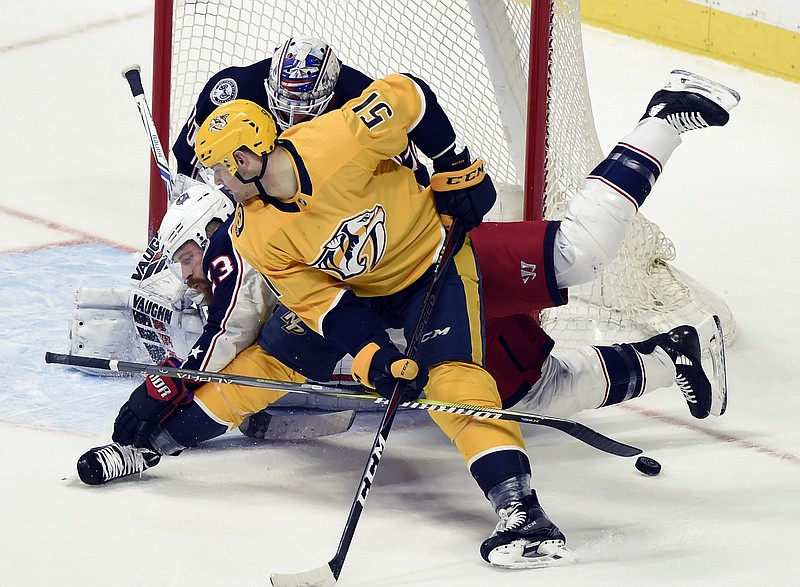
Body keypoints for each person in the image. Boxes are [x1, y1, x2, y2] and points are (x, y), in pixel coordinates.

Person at [77, 69, 737, 570]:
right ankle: (671, 353)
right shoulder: (252, 234)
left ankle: (524, 513)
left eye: (223, 168)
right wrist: (371, 355)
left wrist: (453, 165)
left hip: (444, 259)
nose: (218, 181)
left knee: (491, 353)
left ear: (250, 154)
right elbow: (323, 305)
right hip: (371, 300)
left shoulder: (334, 140)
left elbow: (409, 94)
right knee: (529, 388)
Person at [172, 35, 427, 186]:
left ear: (332, 91)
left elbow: (409, 171)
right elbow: (192, 158)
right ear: (270, 83)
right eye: (284, 106)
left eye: (305, 107)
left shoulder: (361, 97)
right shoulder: (234, 90)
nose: (292, 117)